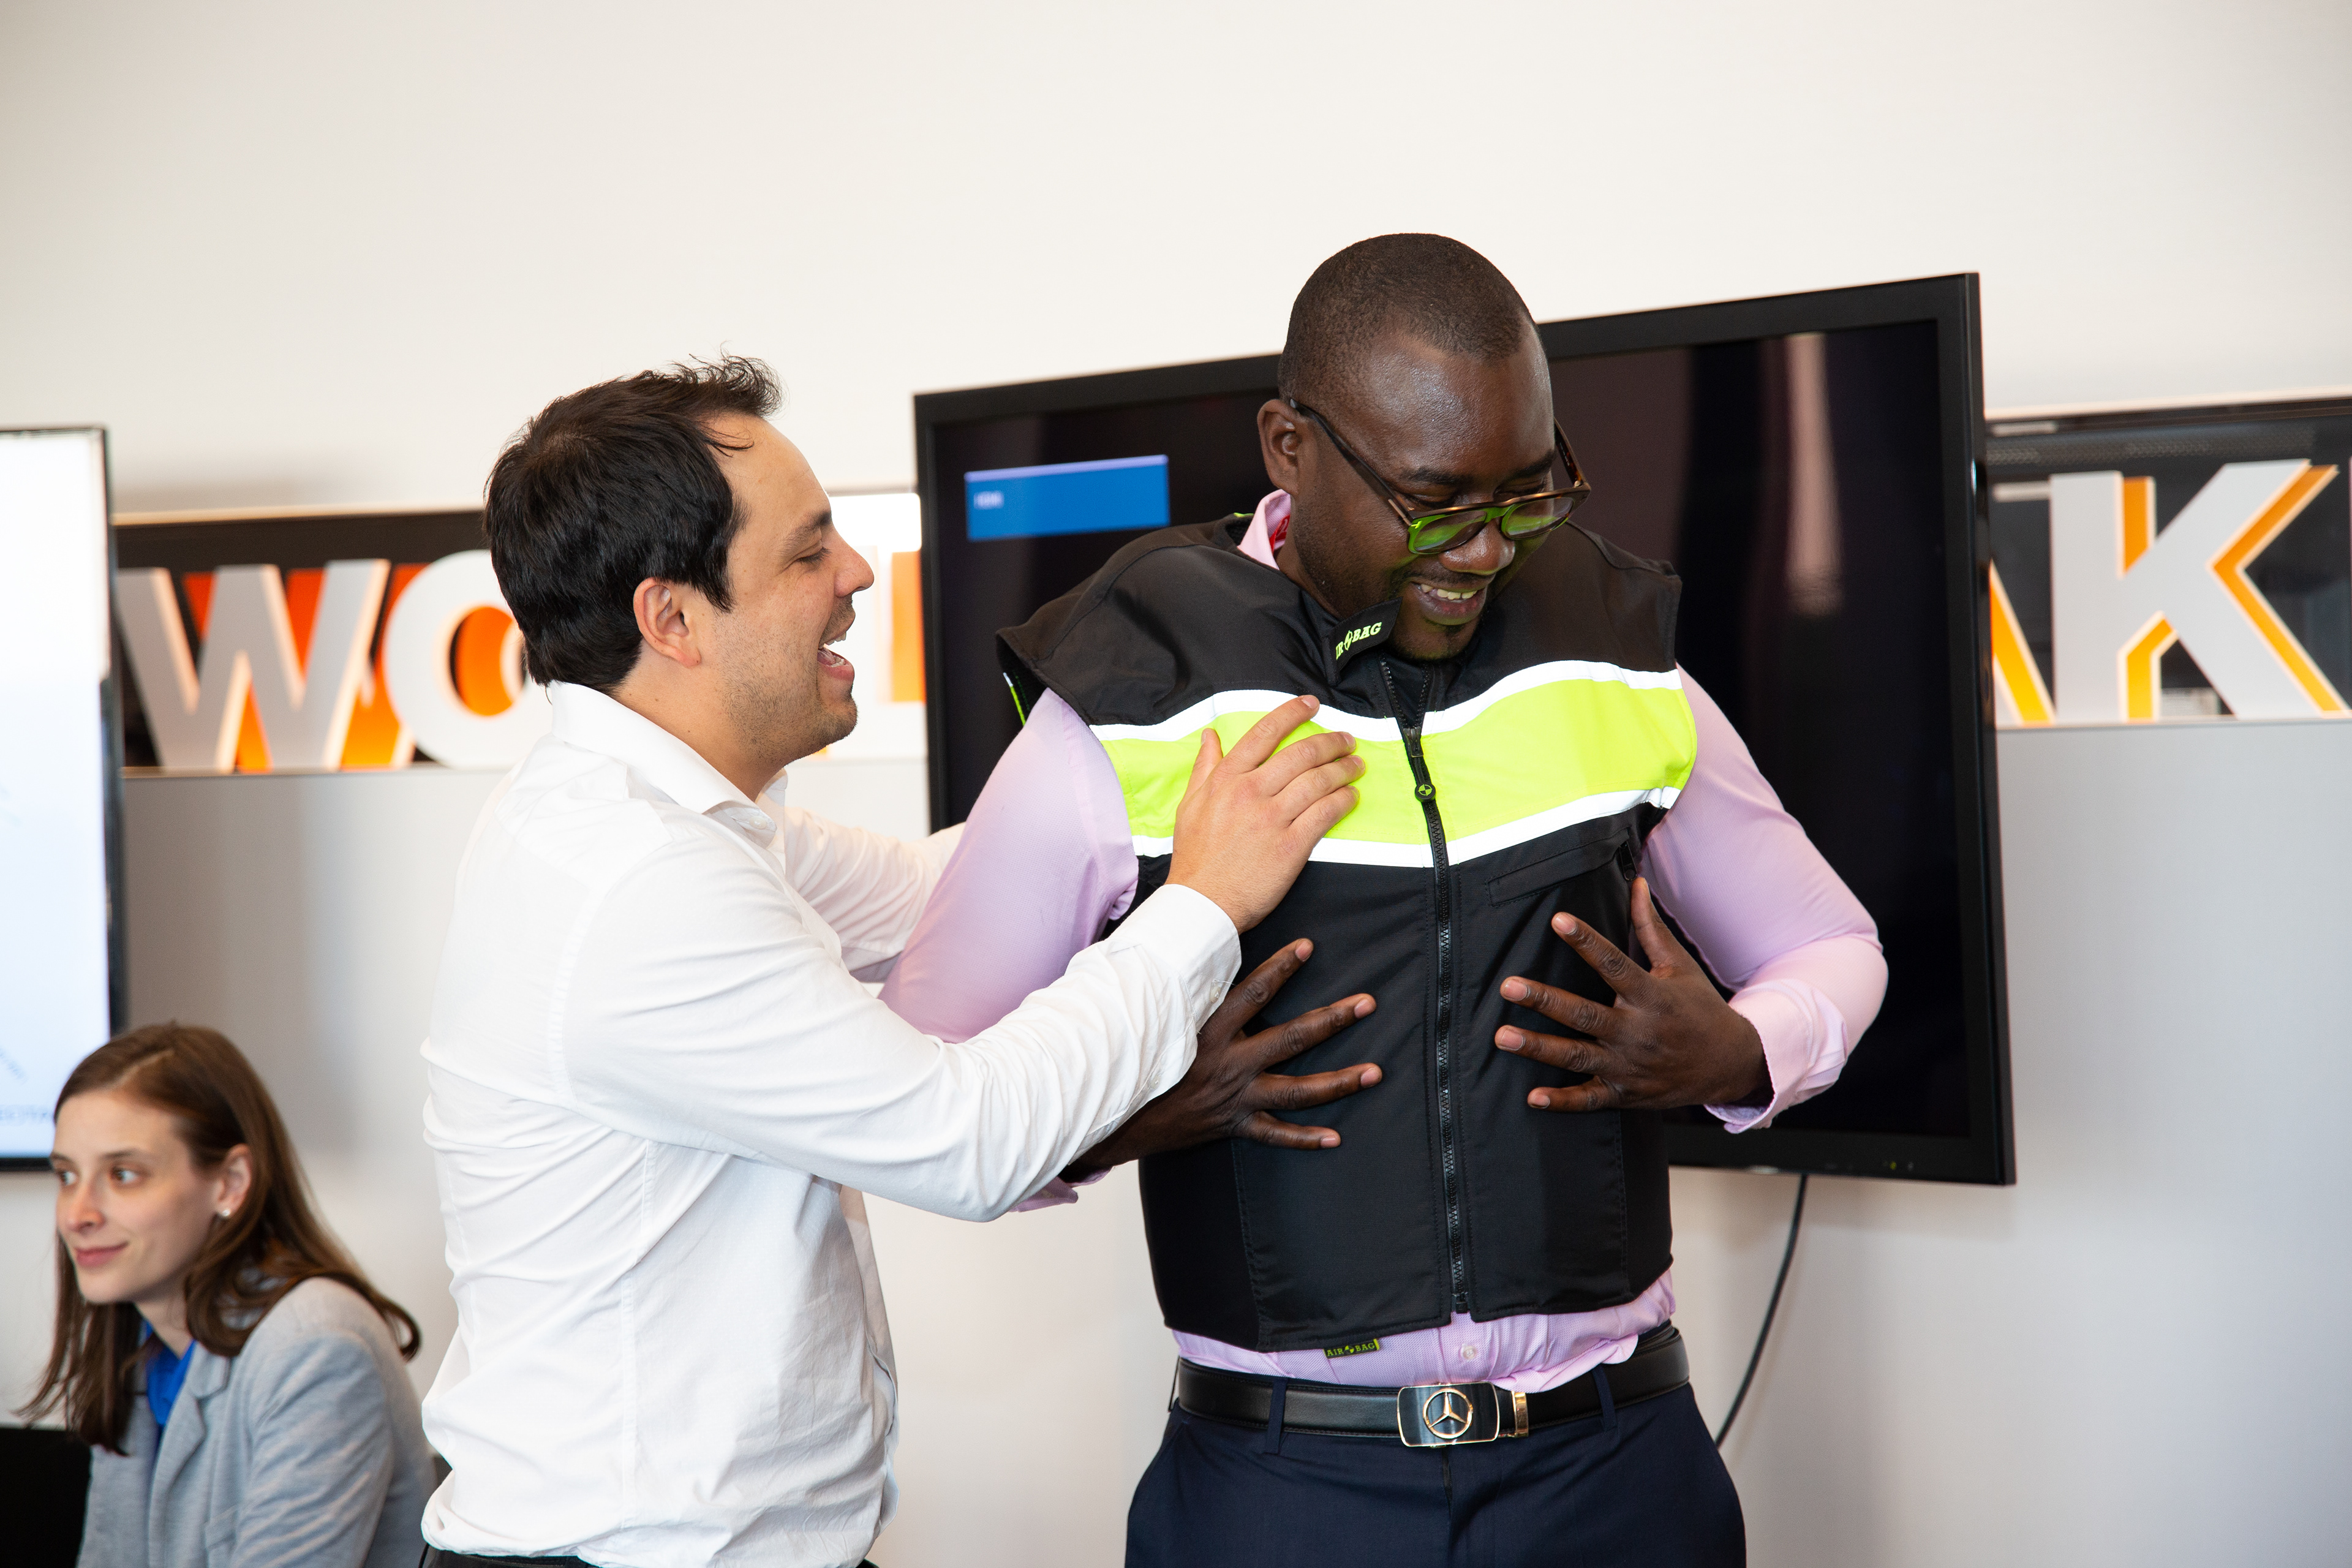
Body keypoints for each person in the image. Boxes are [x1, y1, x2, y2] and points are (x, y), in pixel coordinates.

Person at [880, 235, 1890, 1566]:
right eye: (1433, 499)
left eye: (1527, 492)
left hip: (1613, 1468)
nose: (1484, 547)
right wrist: (1133, 1109)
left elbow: (1833, 943)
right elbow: (927, 1087)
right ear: (1290, 447)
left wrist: (1740, 1051)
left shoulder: (1610, 663)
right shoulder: (1126, 700)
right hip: (1281, 1488)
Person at [418, 357, 1375, 1568]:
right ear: (673, 620)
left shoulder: (657, 819)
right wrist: (1202, 902)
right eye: (808, 552)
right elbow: (966, 1136)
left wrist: (1129, 763)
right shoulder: (636, 882)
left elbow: (948, 889)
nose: (859, 574)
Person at [24, 1022, 436, 1568]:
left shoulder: (315, 1347)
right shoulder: (138, 1343)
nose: (77, 1215)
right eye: (67, 1176)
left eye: (123, 1174)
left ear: (231, 1182)